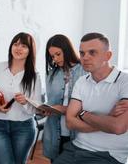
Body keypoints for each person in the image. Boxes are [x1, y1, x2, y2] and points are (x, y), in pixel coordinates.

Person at [53, 32, 128, 164]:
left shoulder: (125, 82)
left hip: (108, 155)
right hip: (76, 148)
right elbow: (70, 122)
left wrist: (82, 114)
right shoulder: (81, 82)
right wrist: (106, 120)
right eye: (82, 53)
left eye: (92, 52)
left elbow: (118, 127)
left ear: (108, 55)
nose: (85, 57)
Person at [0, 32, 42, 164]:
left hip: (23, 128)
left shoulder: (34, 76)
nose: (18, 48)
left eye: (24, 46)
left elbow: (36, 108)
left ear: (30, 51)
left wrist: (25, 102)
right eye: (16, 44)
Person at [42, 34, 86, 162]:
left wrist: (64, 109)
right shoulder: (51, 74)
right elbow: (51, 102)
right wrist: (44, 109)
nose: (55, 59)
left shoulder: (84, 71)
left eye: (58, 54)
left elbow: (90, 105)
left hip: (78, 135)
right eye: (52, 56)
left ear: (67, 50)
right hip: (55, 134)